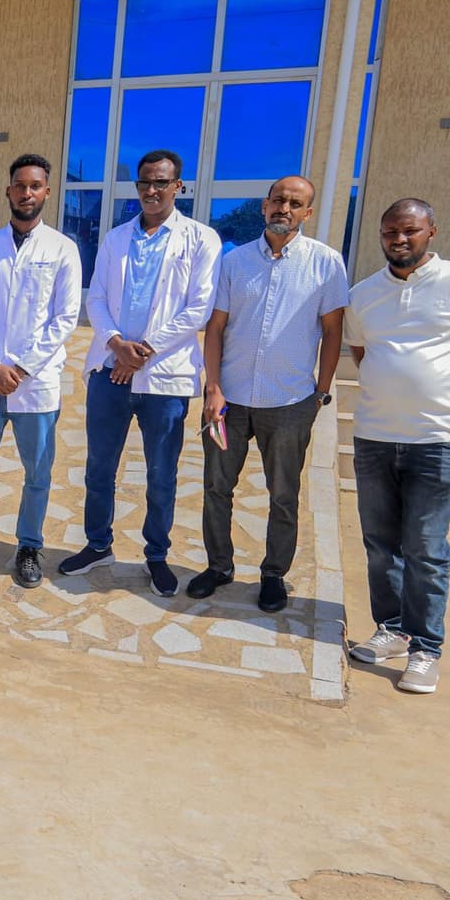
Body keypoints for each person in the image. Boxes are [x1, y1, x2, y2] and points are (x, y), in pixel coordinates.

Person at [344, 199, 450, 695]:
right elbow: (362, 351)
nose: (399, 239)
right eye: (390, 232)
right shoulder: (364, 295)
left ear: (432, 232)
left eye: (410, 231)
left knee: (425, 547)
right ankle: (392, 629)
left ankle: (425, 649)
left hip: (439, 441)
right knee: (380, 546)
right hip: (376, 437)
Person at [59, 148, 221, 597]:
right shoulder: (115, 239)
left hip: (163, 380)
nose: (152, 190)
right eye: (145, 182)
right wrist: (116, 345)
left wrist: (142, 353)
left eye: (162, 183)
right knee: (99, 468)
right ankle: (98, 545)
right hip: (110, 372)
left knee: (161, 474)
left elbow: (199, 308)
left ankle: (156, 555)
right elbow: (97, 299)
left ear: (178, 187)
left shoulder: (201, 239)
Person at [187, 176, 347, 612]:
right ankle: (219, 566)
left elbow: (333, 332)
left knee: (283, 494)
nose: (285, 208)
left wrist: (320, 393)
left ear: (307, 213)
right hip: (228, 406)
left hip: (291, 406)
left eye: (295, 203)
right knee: (216, 487)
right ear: (264, 205)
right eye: (278, 200)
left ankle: (274, 573)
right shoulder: (234, 262)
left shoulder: (326, 264)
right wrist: (213, 388)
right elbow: (215, 328)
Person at [0, 154, 83, 589]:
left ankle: (28, 545)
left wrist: (19, 367)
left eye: (35, 186)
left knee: (37, 472)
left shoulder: (63, 249)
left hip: (34, 382)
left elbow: (65, 317)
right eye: (19, 185)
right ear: (8, 191)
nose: (27, 193)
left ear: (46, 192)